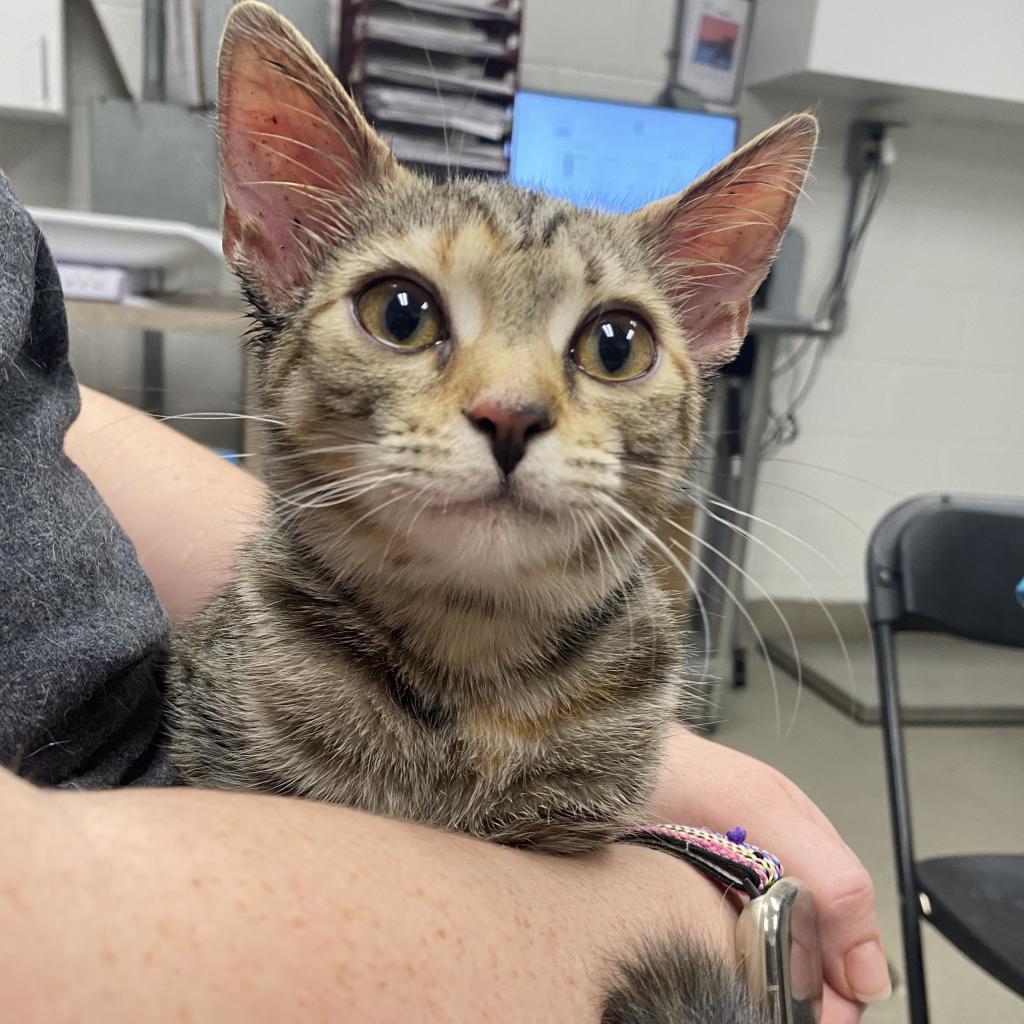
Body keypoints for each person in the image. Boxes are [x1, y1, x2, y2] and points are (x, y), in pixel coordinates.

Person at [0, 173, 891, 1021]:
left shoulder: (634, 680)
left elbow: (34, 431)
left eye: (613, 345)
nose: (511, 405)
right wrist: (675, 914)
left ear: (711, 318)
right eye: (404, 314)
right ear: (283, 255)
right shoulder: (260, 681)